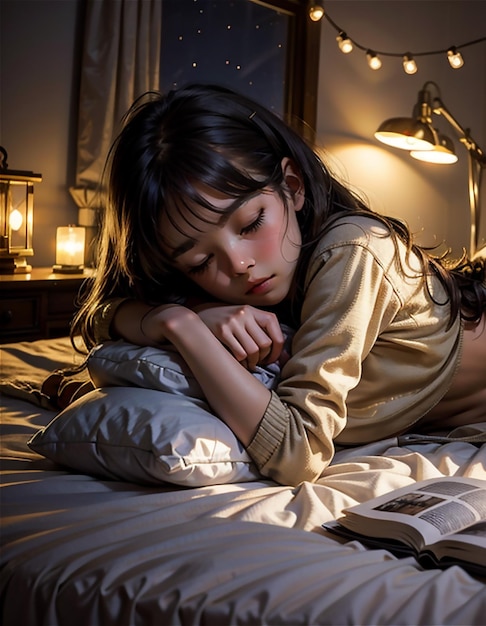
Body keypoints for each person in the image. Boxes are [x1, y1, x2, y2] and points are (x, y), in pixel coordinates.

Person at [71, 83, 486, 486]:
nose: (239, 264)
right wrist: (181, 312)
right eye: (200, 262)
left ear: (292, 186)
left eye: (251, 223)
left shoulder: (353, 250)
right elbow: (100, 317)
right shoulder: (232, 286)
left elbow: (297, 452)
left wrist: (183, 328)